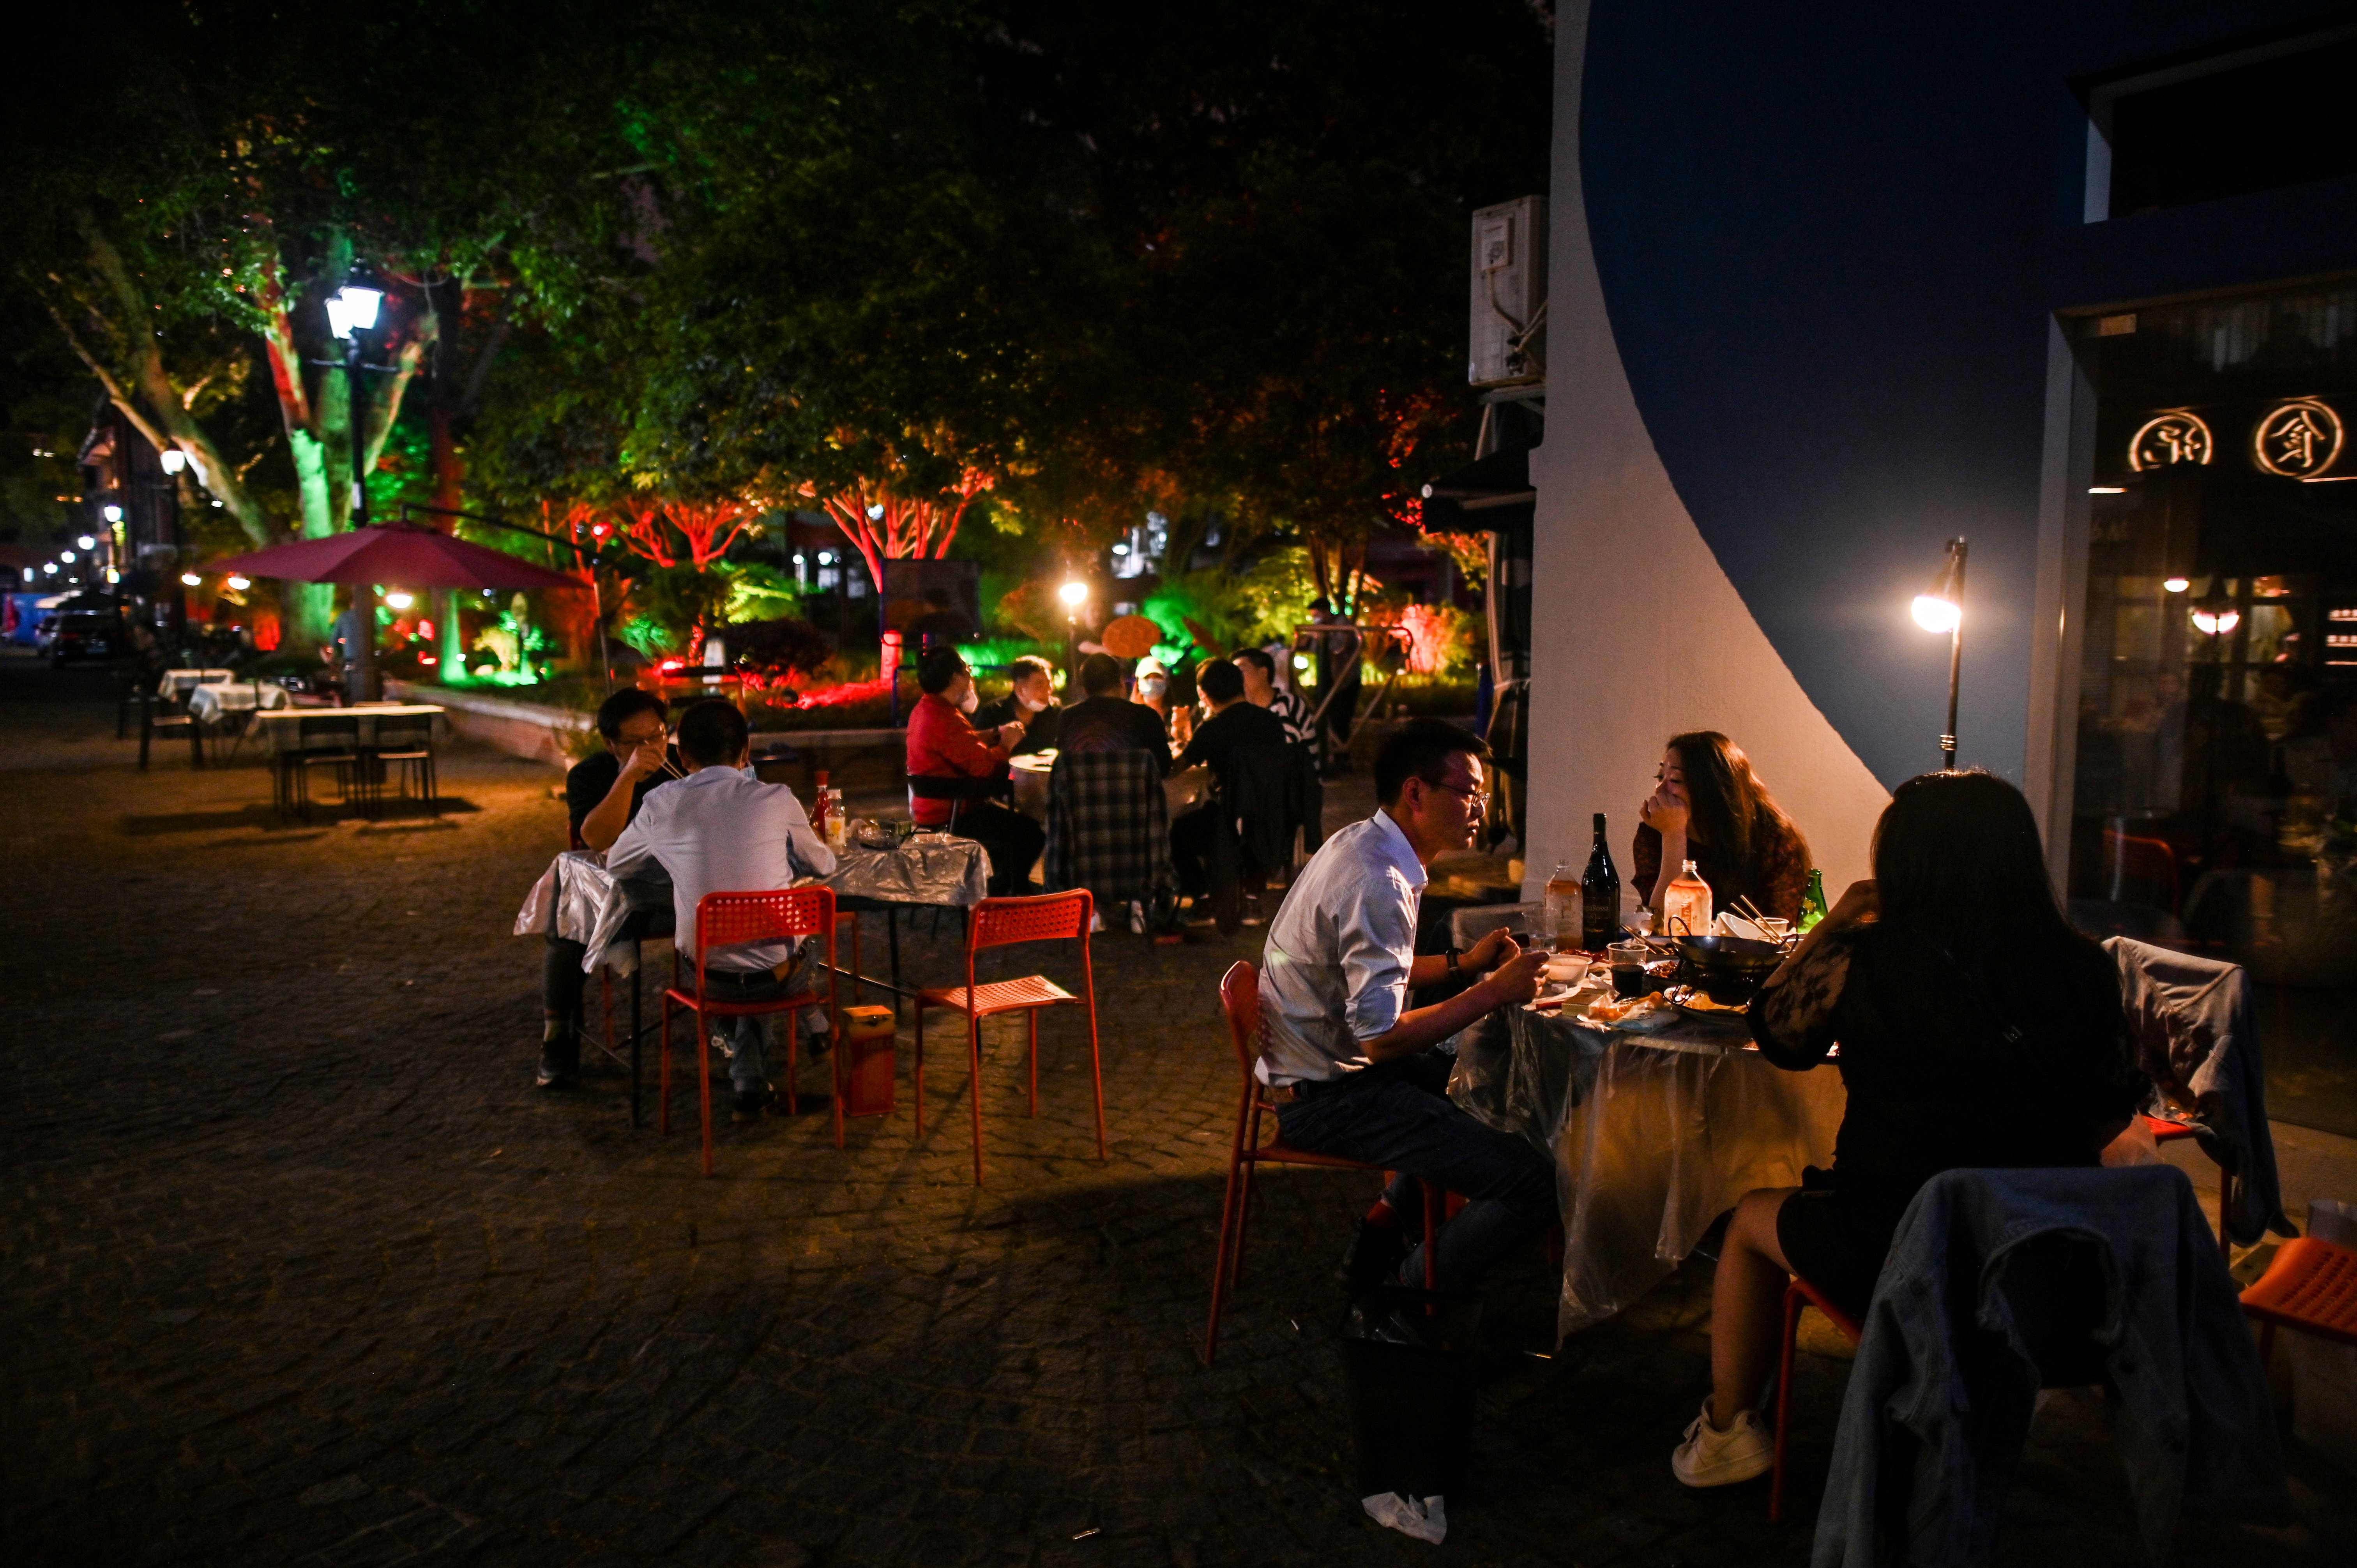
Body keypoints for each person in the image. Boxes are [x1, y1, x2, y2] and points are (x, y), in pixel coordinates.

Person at [1670, 770, 2145, 1488]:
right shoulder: (2082, 966)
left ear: (1902, 860)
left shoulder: (1867, 957)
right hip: (2042, 1258)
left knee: (1747, 1221)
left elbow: (1777, 1033)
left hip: (1897, 1247)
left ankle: (1728, 1431)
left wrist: (1837, 919)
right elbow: (2110, 1110)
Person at [1260, 719, 1556, 1291]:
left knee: (1484, 1088)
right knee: (1536, 1184)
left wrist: (1464, 964)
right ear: (1416, 792)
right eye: (1469, 793)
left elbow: (1369, 975)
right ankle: (1401, 1297)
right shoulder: (1379, 879)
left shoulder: (1361, 842)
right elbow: (1382, 1038)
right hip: (1332, 1096)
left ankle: (1384, 1227)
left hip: (1319, 1072)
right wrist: (1495, 990)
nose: (1480, 808)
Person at [604, 699, 839, 1122]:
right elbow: (823, 866)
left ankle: (749, 1083)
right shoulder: (778, 798)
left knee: (738, 962)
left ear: (682, 756)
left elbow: (617, 864)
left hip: (710, 979)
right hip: (781, 976)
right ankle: (815, 1022)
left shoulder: (660, 803)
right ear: (746, 752)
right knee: (781, 950)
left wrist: (675, 860)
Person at [537, 688, 683, 1090]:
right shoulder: (589, 775)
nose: (650, 749)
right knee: (568, 910)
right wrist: (628, 776)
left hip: (676, 889)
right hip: (613, 891)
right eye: (635, 742)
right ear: (611, 744)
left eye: (656, 736)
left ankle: (733, 1022)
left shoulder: (684, 766)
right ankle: (558, 1033)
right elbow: (596, 839)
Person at [1633, 730, 1811, 927]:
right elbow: (1660, 923)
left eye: (1675, 780)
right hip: (1674, 947)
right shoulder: (1656, 831)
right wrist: (1673, 835)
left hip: (1753, 946)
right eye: (1660, 777)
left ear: (1713, 787)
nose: (1660, 790)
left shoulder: (1774, 839)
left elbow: (1780, 930)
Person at [906, 646, 1045, 896]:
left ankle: (1000, 888)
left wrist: (994, 734)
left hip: (933, 810)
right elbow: (985, 768)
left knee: (1020, 829)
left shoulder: (927, 709)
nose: (970, 676)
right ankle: (1004, 895)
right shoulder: (944, 718)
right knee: (1031, 834)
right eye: (966, 669)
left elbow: (961, 743)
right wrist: (1006, 745)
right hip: (953, 813)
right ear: (955, 678)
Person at [1168, 658, 1289, 898]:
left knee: (1176, 833)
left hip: (1226, 820)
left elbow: (1176, 768)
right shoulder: (1271, 722)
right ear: (1240, 684)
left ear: (1204, 694)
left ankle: (1201, 894)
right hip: (1274, 817)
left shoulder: (1213, 729)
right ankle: (1249, 890)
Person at [1057, 652, 1174, 756]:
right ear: (1121, 683)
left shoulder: (1068, 718)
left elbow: (1062, 764)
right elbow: (1163, 766)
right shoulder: (1146, 717)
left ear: (1085, 689)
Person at [1307, 597, 1362, 774]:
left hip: (1347, 679)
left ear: (1325, 612)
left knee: (1341, 719)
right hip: (1331, 679)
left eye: (1317, 616)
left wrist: (1323, 636)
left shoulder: (1341, 625)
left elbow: (1339, 648)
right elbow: (1314, 649)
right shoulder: (1323, 629)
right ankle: (1335, 757)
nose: (1316, 620)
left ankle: (1343, 759)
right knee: (1328, 717)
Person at [971, 654, 1060, 756]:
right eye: (1040, 686)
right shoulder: (992, 714)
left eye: (1049, 684)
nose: (1048, 691)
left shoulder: (1056, 713)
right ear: (1020, 689)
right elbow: (978, 753)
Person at [1235, 646, 1314, 746]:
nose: (1237, 678)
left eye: (1241, 671)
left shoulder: (1288, 703)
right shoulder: (1247, 712)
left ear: (1263, 673)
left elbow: (1280, 749)